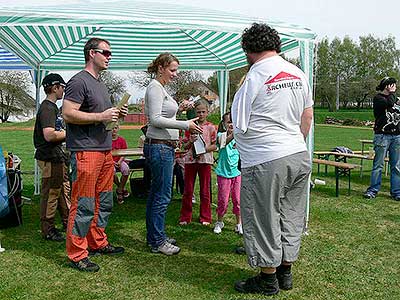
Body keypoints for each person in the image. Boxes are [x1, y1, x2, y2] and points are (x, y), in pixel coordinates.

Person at [231, 23, 313, 296]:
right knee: (291, 214)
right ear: (275, 46)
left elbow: (238, 124)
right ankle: (285, 272)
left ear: (248, 50)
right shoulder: (297, 73)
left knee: (263, 217)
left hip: (266, 158)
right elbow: (307, 116)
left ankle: (267, 279)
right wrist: (294, 142)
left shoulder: (254, 76)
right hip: (297, 154)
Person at [62, 37, 128, 272]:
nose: (110, 57)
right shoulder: (79, 81)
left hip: (104, 151)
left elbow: (102, 116)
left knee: (103, 201)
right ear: (91, 53)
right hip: (85, 152)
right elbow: (68, 114)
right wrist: (101, 116)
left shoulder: (100, 83)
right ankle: (77, 253)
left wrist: (116, 114)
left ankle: (97, 241)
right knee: (83, 203)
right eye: (106, 52)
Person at [144, 52, 202, 256]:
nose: (176, 74)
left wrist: (179, 108)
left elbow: (165, 115)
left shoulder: (161, 89)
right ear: (161, 68)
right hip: (159, 147)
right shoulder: (155, 88)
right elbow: (155, 119)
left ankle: (155, 236)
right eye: (172, 70)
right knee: (162, 195)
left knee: (157, 194)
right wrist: (185, 124)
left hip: (163, 146)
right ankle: (158, 241)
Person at [33, 73, 70, 242]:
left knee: (60, 189)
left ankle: (66, 221)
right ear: (55, 88)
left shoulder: (51, 107)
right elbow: (49, 135)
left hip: (55, 156)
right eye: (62, 87)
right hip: (50, 157)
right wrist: (69, 133)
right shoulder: (48, 108)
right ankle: (48, 229)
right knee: (51, 193)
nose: (64, 90)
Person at [179, 99, 216, 226]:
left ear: (207, 112)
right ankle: (185, 216)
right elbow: (184, 147)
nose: (200, 115)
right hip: (190, 161)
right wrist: (190, 140)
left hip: (205, 161)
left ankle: (205, 217)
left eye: (203, 112)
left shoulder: (211, 127)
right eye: (198, 112)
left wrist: (204, 150)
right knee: (188, 190)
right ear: (195, 112)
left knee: (205, 190)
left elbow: (215, 145)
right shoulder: (189, 126)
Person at [363, 77, 400, 200]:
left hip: (397, 136)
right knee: (378, 165)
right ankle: (373, 190)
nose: (395, 86)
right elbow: (389, 103)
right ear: (387, 86)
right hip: (382, 135)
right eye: (392, 85)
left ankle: (396, 192)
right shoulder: (379, 98)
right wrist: (392, 93)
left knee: (396, 166)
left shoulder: (396, 99)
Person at [213, 112, 242, 235]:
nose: (231, 124)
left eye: (233, 121)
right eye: (228, 122)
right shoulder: (221, 135)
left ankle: (239, 223)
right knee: (223, 200)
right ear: (223, 124)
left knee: (238, 200)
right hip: (223, 174)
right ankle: (219, 221)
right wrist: (234, 133)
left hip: (237, 173)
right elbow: (223, 142)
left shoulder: (240, 137)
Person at [111, 123, 130, 204]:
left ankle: (119, 189)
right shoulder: (106, 141)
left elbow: (124, 153)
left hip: (120, 160)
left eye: (115, 128)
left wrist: (119, 161)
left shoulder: (121, 140)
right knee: (111, 172)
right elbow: (105, 154)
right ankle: (121, 189)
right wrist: (113, 162)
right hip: (110, 161)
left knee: (126, 170)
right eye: (112, 128)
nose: (114, 130)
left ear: (118, 129)